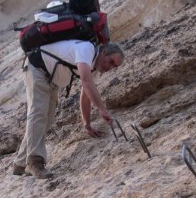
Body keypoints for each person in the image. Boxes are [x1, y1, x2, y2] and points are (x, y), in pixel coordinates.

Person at [13, 40, 125, 179]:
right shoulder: (87, 49)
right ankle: (35, 162)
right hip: (37, 68)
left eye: (115, 66)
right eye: (111, 61)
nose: (111, 67)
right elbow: (86, 82)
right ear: (103, 52)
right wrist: (102, 109)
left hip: (51, 78)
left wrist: (87, 124)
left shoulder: (94, 68)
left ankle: (20, 163)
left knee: (46, 120)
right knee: (38, 114)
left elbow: (85, 95)